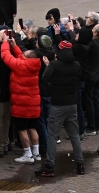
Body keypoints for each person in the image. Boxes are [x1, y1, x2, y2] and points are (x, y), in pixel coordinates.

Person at [34, 41, 84, 177]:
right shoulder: (76, 65)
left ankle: (49, 165)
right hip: (72, 103)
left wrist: (48, 66)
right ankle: (80, 164)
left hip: (58, 104)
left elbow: (45, 79)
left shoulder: (55, 65)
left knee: (52, 135)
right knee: (74, 135)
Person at [0, 31, 41, 164]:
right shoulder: (33, 64)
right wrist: (15, 46)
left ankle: (27, 154)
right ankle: (36, 153)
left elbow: (5, 56)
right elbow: (20, 57)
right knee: (32, 128)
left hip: (22, 105)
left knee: (22, 130)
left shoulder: (21, 66)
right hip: (33, 104)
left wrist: (5, 42)